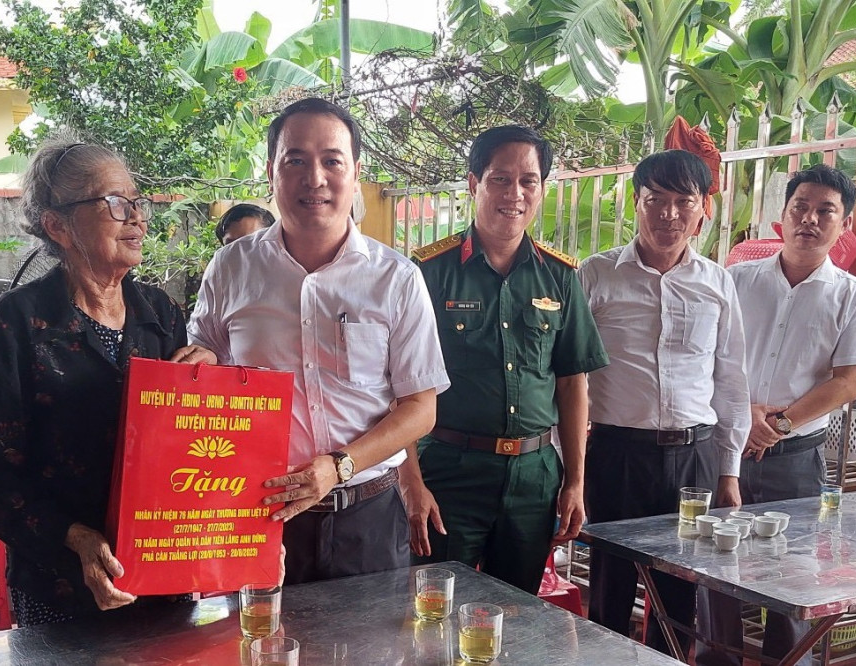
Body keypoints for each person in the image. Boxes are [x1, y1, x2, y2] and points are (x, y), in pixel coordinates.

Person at [187, 97, 449, 585]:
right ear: (271, 172)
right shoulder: (231, 268)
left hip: (368, 518)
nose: (315, 178)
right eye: (295, 161)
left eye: (332, 161)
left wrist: (338, 466)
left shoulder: (396, 279)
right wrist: (200, 361)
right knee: (260, 635)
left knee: (374, 637)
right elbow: (205, 368)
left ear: (356, 172)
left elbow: (420, 408)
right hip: (257, 515)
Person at [0, 138, 215, 625]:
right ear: (58, 225)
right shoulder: (18, 322)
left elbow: (180, 448)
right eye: (116, 203)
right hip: (60, 586)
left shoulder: (160, 314)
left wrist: (205, 384)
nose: (137, 218)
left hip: (159, 576)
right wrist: (75, 537)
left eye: (137, 202)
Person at [399, 125, 609, 594]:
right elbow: (400, 385)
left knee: (517, 613)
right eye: (500, 179)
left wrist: (575, 482)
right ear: (474, 183)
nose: (514, 194)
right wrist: (411, 483)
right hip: (449, 473)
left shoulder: (559, 277)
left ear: (541, 188)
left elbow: (572, 382)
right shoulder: (429, 273)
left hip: (534, 479)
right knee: (434, 609)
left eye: (528, 181)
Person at [696, 165, 856, 666]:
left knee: (793, 576)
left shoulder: (852, 296)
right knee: (715, 569)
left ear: (844, 224)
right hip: (725, 448)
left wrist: (776, 425)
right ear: (782, 214)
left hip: (795, 458)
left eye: (825, 211)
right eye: (800, 207)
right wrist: (744, 414)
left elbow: (848, 382)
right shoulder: (736, 280)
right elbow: (706, 357)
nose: (810, 220)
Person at [577, 149, 750, 656]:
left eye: (683, 201)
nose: (669, 214)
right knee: (609, 586)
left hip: (694, 458)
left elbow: (731, 379)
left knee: (680, 592)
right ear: (636, 202)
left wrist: (729, 471)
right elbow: (570, 377)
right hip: (617, 455)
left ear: (702, 210)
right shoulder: (596, 274)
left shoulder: (717, 282)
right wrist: (573, 471)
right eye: (655, 200)